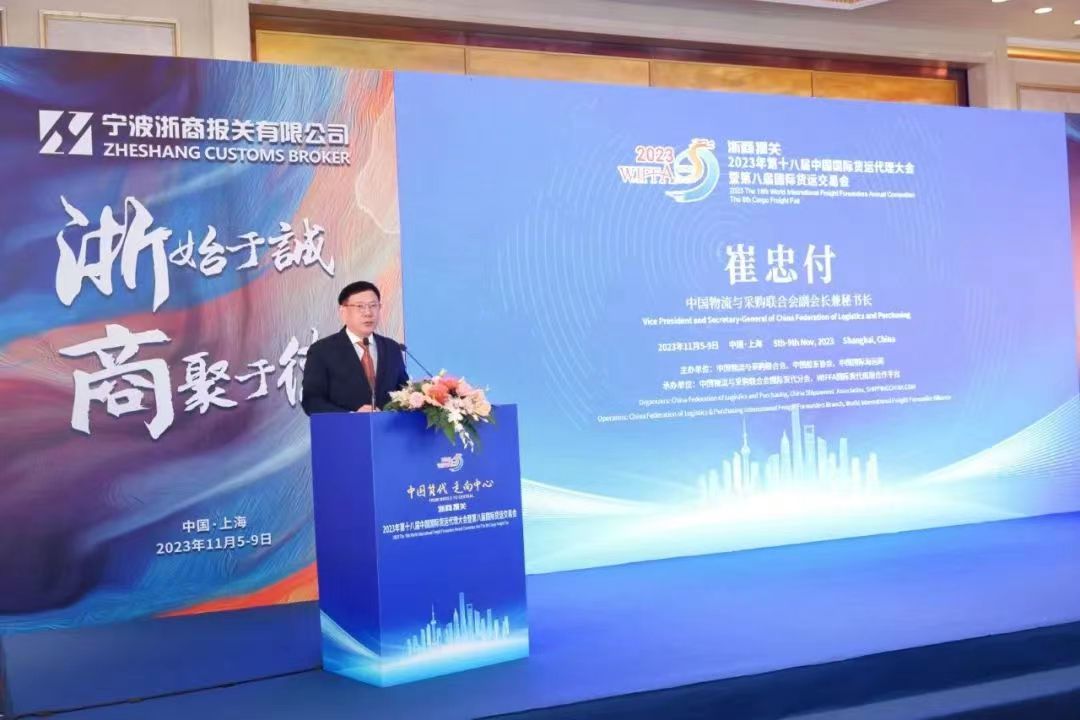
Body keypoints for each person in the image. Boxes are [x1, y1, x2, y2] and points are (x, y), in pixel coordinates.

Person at [302, 281, 408, 415]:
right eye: (360, 306)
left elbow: (404, 393)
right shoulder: (322, 350)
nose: (368, 313)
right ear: (343, 311)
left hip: (386, 427)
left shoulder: (392, 348)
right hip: (344, 427)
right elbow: (312, 401)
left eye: (373, 306)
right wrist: (351, 416)